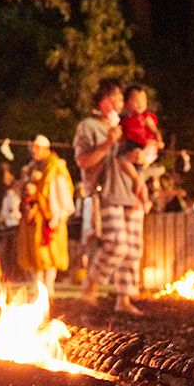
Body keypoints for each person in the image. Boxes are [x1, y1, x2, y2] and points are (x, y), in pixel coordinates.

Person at [74, 77, 145, 315]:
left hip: (130, 192)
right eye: (114, 97)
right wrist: (107, 143)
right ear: (102, 101)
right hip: (105, 193)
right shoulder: (89, 127)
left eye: (120, 97)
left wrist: (140, 176)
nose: (118, 101)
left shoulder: (125, 127)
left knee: (133, 249)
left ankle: (123, 300)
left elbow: (133, 159)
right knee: (117, 244)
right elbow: (83, 161)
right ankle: (91, 285)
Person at [17, 135, 75, 295]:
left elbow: (61, 192)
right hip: (34, 217)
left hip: (50, 216)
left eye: (36, 148)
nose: (33, 151)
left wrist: (59, 214)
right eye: (32, 148)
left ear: (45, 149)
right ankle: (37, 286)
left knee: (50, 253)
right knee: (34, 255)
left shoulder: (55, 166)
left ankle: (48, 287)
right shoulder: (31, 167)